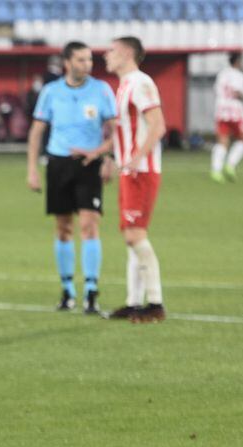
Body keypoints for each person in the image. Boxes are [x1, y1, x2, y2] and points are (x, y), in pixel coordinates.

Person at [26, 41, 118, 314]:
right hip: (58, 164)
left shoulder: (101, 90)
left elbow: (116, 131)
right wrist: (32, 169)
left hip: (89, 164)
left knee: (89, 225)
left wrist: (106, 157)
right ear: (67, 63)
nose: (87, 65)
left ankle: (91, 291)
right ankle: (67, 290)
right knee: (63, 227)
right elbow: (36, 132)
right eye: (81, 60)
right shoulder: (51, 92)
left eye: (89, 60)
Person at [105, 36, 167, 323]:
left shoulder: (141, 82)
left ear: (127, 53)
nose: (106, 55)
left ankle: (155, 303)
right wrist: (106, 157)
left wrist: (136, 157)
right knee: (131, 235)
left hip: (142, 170)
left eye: (112, 51)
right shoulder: (124, 86)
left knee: (135, 234)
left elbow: (158, 125)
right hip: (130, 171)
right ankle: (133, 302)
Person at [210, 52, 243, 183]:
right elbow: (237, 92)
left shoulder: (222, 74)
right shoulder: (240, 76)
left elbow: (217, 90)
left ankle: (216, 170)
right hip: (235, 111)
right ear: (237, 61)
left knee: (222, 141)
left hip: (221, 110)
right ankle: (230, 165)